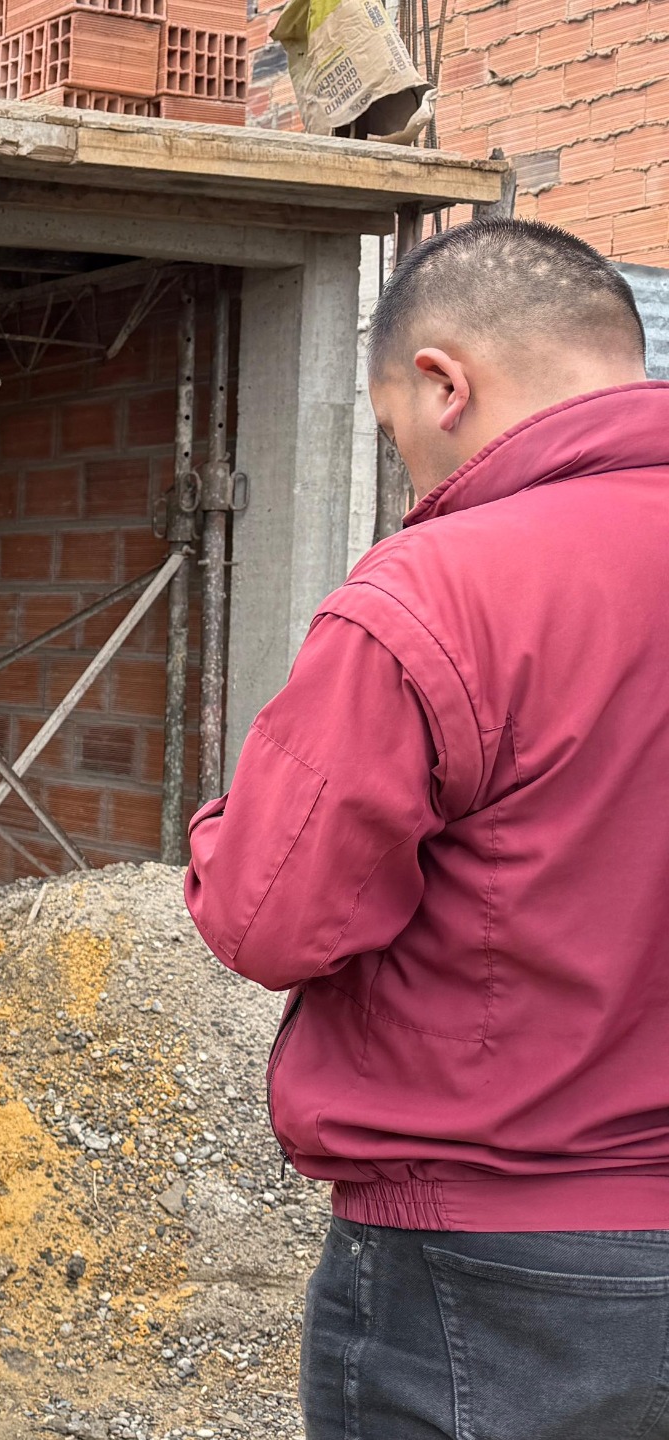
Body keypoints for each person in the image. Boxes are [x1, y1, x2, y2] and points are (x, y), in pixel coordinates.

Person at [186, 220, 669, 1438]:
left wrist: (220, 825)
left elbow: (269, 914)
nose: (409, 473)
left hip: (492, 1255)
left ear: (442, 382)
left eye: (396, 434)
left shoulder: (439, 586)